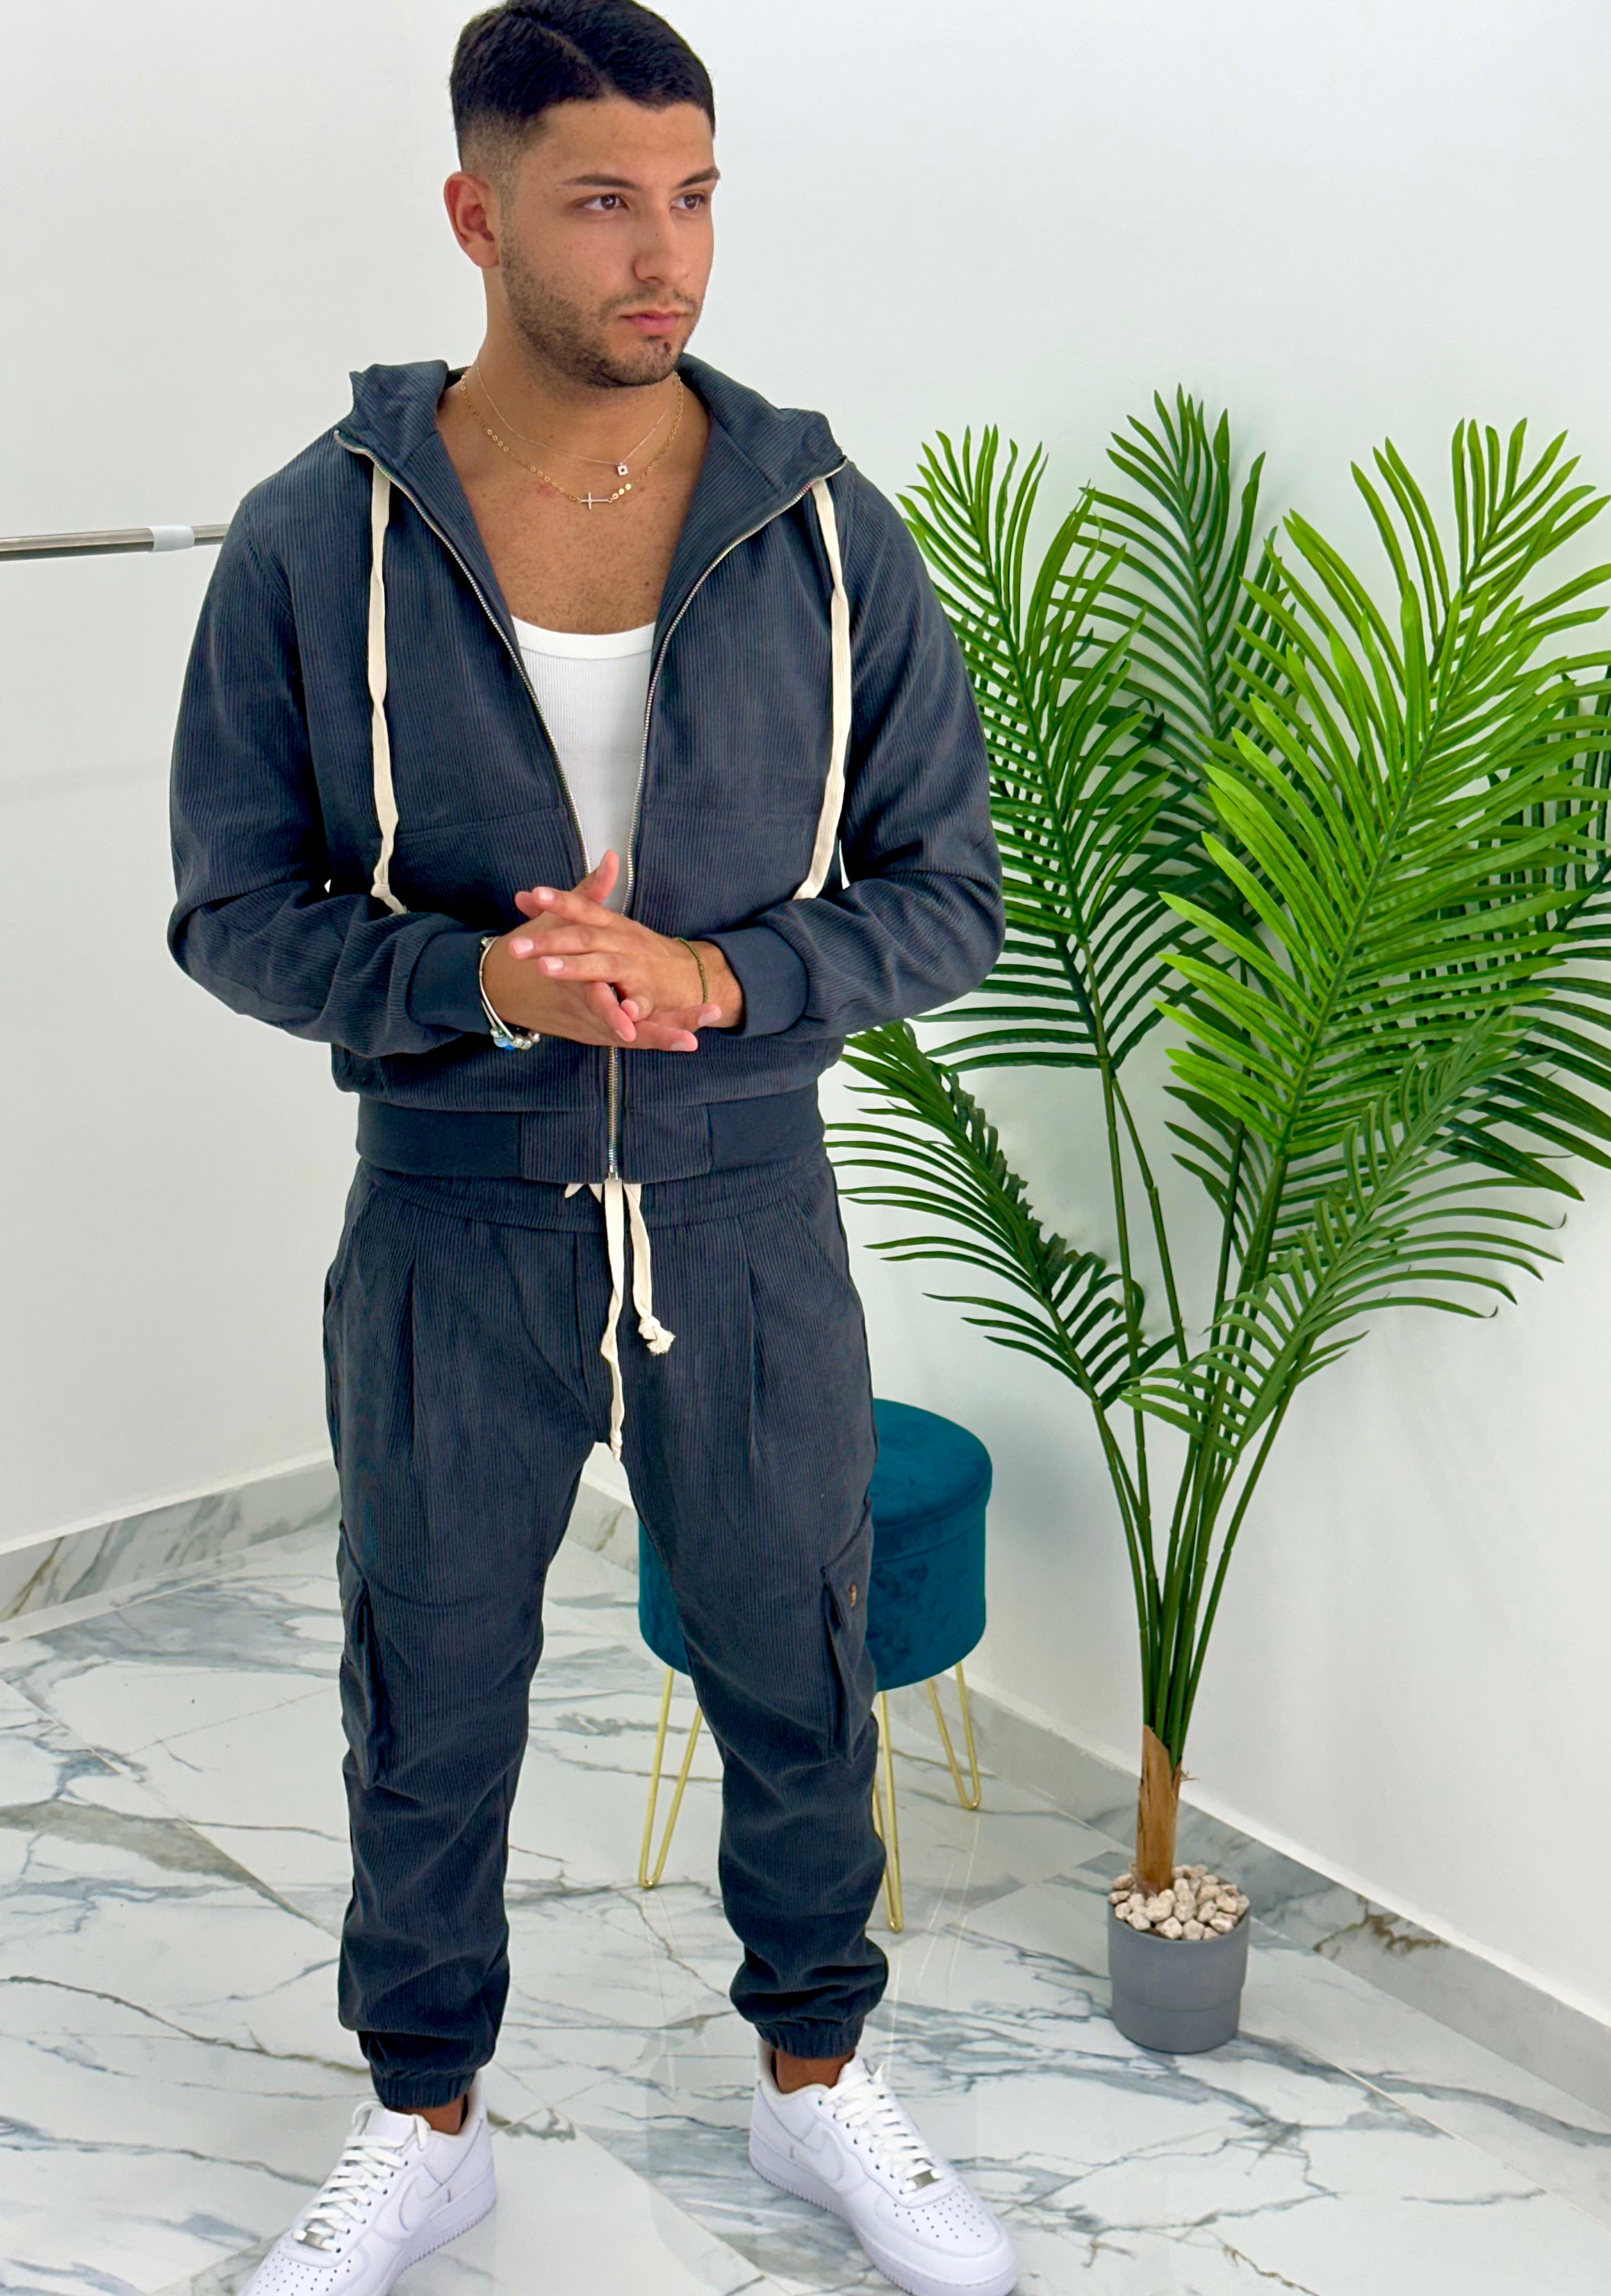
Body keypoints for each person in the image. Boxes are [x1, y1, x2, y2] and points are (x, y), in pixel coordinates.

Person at [167, 3, 1012, 2292]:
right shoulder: (314, 538)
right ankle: (422, 2120)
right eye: (607, 202)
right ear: (478, 215)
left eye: (698, 196)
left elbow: (950, 893)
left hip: (745, 1206)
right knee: (427, 1674)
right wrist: (482, 987)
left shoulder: (822, 531)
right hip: (451, 1216)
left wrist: (719, 980)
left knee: (794, 1662)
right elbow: (231, 910)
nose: (669, 257)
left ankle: (816, 2087)